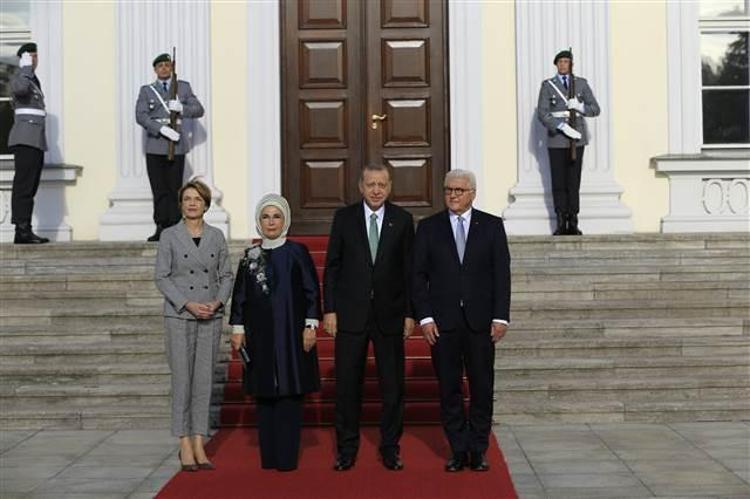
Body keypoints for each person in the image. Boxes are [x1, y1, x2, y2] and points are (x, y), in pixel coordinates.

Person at [412, 170, 511, 473]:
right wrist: (425, 317)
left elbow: (501, 274)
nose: (453, 195)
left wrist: (500, 316)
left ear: (472, 194)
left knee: (482, 388)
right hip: (443, 324)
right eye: (448, 190)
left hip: (481, 323)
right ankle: (457, 449)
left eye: (459, 190)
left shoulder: (491, 226)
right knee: (449, 389)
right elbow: (417, 276)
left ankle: (478, 449)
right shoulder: (429, 228)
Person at [323, 164, 415, 471]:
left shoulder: (403, 220)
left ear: (390, 187)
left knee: (392, 387)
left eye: (382, 184)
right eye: (371, 184)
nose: (376, 190)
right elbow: (332, 267)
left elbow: (410, 271)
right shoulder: (344, 218)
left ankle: (390, 448)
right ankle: (347, 448)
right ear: (360, 187)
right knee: (347, 386)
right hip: (351, 315)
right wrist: (330, 309)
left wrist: (410, 313)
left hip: (390, 315)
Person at [229, 194, 321, 471]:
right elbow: (241, 295)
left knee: (290, 394)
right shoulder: (250, 256)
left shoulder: (297, 252)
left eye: (276, 216)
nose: (271, 222)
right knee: (264, 393)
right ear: (259, 221)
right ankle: (269, 457)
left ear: (285, 220)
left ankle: (287, 458)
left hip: (292, 333)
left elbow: (311, 290)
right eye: (266, 217)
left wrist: (311, 325)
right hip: (260, 336)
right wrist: (238, 328)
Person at [154, 179, 233, 472]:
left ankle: (200, 440)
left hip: (210, 315)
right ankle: (184, 442)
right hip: (179, 315)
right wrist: (187, 303)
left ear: (206, 204)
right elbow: (161, 276)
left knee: (203, 381)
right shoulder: (169, 236)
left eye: (197, 199)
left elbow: (226, 275)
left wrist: (218, 302)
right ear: (180, 204)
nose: (191, 203)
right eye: (187, 198)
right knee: (182, 380)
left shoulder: (216, 236)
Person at [136, 52, 204, 242]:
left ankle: (175, 226)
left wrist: (182, 108)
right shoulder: (147, 90)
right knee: (159, 188)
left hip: (177, 145)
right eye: (160, 66)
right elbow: (140, 116)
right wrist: (161, 129)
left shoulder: (183, 87)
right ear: (155, 70)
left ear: (172, 67)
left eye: (167, 65)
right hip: (155, 145)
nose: (164, 68)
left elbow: (198, 109)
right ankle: (161, 226)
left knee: (175, 188)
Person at [537, 49, 600, 235]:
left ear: (571, 64)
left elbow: (595, 109)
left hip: (576, 139)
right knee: (558, 181)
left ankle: (573, 220)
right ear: (556, 64)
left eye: (567, 61)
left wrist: (580, 107)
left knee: (573, 181)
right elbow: (543, 112)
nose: (563, 64)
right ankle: (560, 221)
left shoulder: (581, 84)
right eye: (560, 62)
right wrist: (561, 126)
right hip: (557, 138)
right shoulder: (548, 85)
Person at [8, 42, 49, 244]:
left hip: (35, 139)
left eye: (35, 56)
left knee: (30, 186)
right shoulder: (20, 77)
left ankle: (25, 228)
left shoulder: (32, 80)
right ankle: (21, 229)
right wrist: (25, 68)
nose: (34, 60)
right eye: (31, 56)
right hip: (25, 139)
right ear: (23, 58)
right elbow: (21, 90)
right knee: (24, 185)